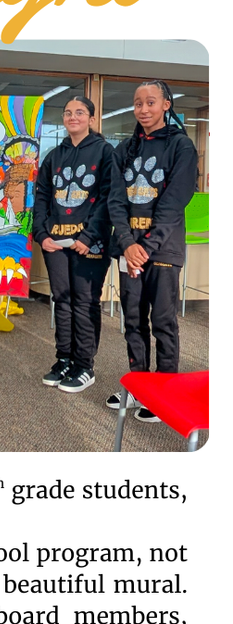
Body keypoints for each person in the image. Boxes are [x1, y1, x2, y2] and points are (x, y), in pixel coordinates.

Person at [106, 79, 198, 422]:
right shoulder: (123, 149)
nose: (143, 109)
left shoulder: (181, 147)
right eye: (138, 103)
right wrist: (128, 245)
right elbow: (115, 200)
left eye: (151, 102)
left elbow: (174, 204)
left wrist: (144, 248)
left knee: (162, 321)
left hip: (162, 250)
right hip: (130, 250)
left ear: (166, 105)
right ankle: (138, 385)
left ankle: (166, 389)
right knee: (132, 321)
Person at [33, 96, 113, 393]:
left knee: (85, 301)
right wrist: (41, 235)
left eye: (80, 112)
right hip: (55, 241)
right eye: (68, 112)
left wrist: (88, 237)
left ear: (91, 118)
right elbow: (41, 198)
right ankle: (64, 358)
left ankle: (84, 366)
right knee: (62, 300)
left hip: (88, 242)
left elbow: (108, 199)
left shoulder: (105, 152)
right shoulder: (54, 155)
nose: (73, 117)